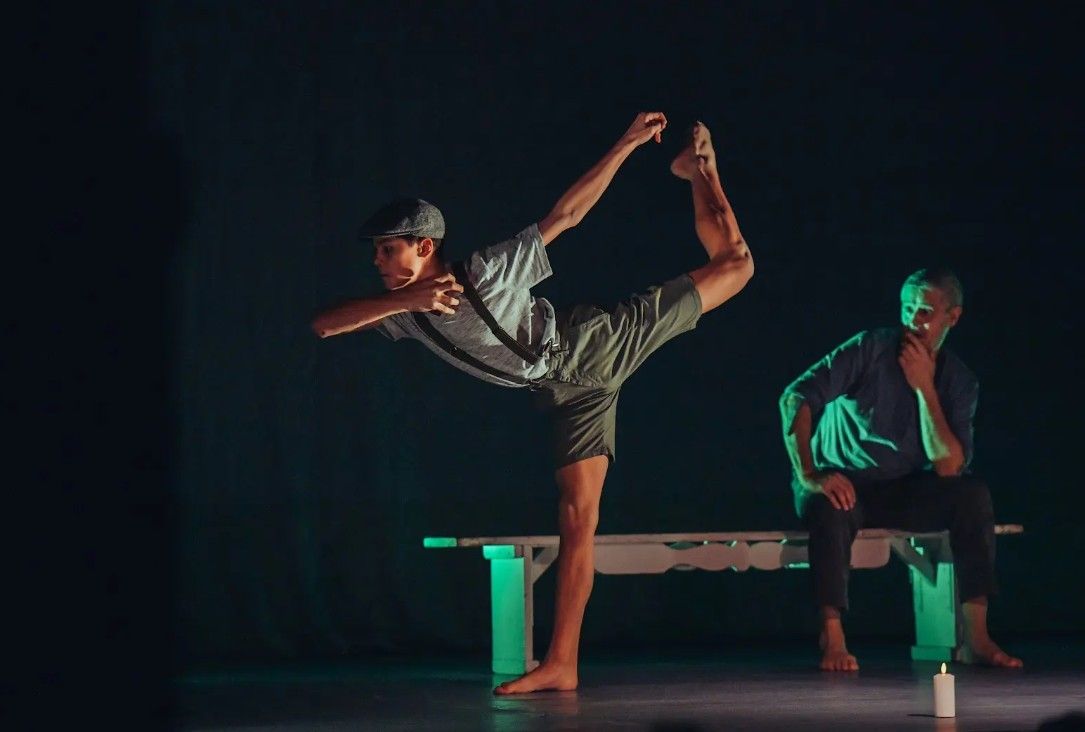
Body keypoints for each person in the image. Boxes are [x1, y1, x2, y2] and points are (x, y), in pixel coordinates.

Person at [312, 113, 754, 693]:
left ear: (424, 247)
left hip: (591, 346)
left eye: (387, 250)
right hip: (565, 396)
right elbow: (323, 326)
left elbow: (565, 215)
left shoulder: (488, 271)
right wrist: (404, 300)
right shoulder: (407, 315)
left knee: (737, 265)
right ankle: (562, 664)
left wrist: (624, 142)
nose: (377, 261)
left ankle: (698, 166)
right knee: (578, 520)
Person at [778, 268, 1023, 671]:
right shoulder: (870, 348)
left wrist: (925, 387)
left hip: (899, 488)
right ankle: (833, 635)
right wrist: (809, 473)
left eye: (925, 311)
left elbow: (948, 467)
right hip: (841, 478)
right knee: (831, 507)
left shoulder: (959, 381)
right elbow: (795, 397)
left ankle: (975, 636)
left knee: (971, 495)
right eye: (907, 308)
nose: (913, 320)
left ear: (952, 318)